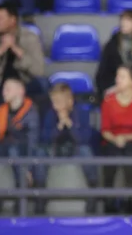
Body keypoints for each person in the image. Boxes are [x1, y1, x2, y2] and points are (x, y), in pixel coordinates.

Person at [0, 78, 45, 214]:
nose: (4, 92)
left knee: (14, 151)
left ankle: (20, 196)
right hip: (3, 146)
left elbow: (32, 141)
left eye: (8, 88)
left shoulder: (31, 111)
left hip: (22, 147)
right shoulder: (0, 111)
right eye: (3, 89)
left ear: (20, 91)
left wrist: (29, 168)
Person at [40, 83, 99, 214]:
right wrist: (59, 127)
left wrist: (70, 125)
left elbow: (84, 138)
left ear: (70, 101)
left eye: (59, 101)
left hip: (76, 148)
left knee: (86, 151)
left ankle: (93, 193)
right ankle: (41, 196)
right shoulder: (50, 114)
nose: (55, 105)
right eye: (53, 101)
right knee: (40, 153)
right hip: (56, 148)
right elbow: (45, 138)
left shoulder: (81, 113)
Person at [101, 66, 132, 212]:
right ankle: (108, 203)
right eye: (117, 76)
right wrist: (116, 139)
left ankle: (129, 202)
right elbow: (105, 130)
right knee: (110, 155)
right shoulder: (108, 101)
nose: (117, 80)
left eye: (122, 77)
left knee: (131, 154)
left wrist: (125, 138)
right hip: (112, 140)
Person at [0, 3, 47, 99]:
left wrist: (16, 49)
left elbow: (39, 71)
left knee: (43, 84)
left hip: (24, 84)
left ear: (12, 20)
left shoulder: (30, 37)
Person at [95, 10, 132, 98]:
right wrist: (113, 87)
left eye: (128, 20)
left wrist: (127, 86)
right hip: (112, 85)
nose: (123, 23)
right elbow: (103, 72)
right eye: (122, 20)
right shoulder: (112, 44)